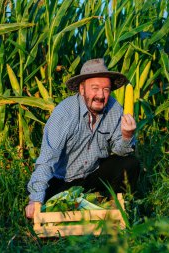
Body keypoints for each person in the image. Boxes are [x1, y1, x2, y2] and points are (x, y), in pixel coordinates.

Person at [25, 58, 140, 218]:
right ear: (82, 89)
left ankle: (115, 209)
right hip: (62, 180)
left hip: (92, 175)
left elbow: (120, 151)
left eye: (106, 89)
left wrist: (127, 135)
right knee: (49, 203)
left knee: (131, 163)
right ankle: (86, 204)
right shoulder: (65, 113)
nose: (101, 95)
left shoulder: (114, 109)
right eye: (95, 88)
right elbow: (47, 158)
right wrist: (35, 199)